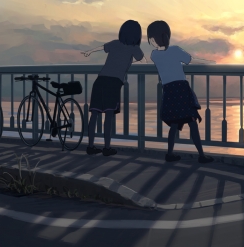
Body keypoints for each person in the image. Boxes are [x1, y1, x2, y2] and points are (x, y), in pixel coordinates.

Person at [148, 20, 213, 163]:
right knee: (192, 122)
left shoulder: (154, 55)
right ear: (167, 35)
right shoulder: (175, 50)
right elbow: (191, 60)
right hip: (181, 89)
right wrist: (209, 62)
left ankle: (170, 153)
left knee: (174, 124)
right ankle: (201, 155)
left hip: (169, 91)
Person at [81, 20, 144, 156]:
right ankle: (107, 147)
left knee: (94, 114)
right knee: (108, 116)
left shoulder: (115, 43)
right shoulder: (134, 48)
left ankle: (90, 146)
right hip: (113, 83)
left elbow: (102, 47)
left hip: (100, 80)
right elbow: (141, 58)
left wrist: (89, 51)